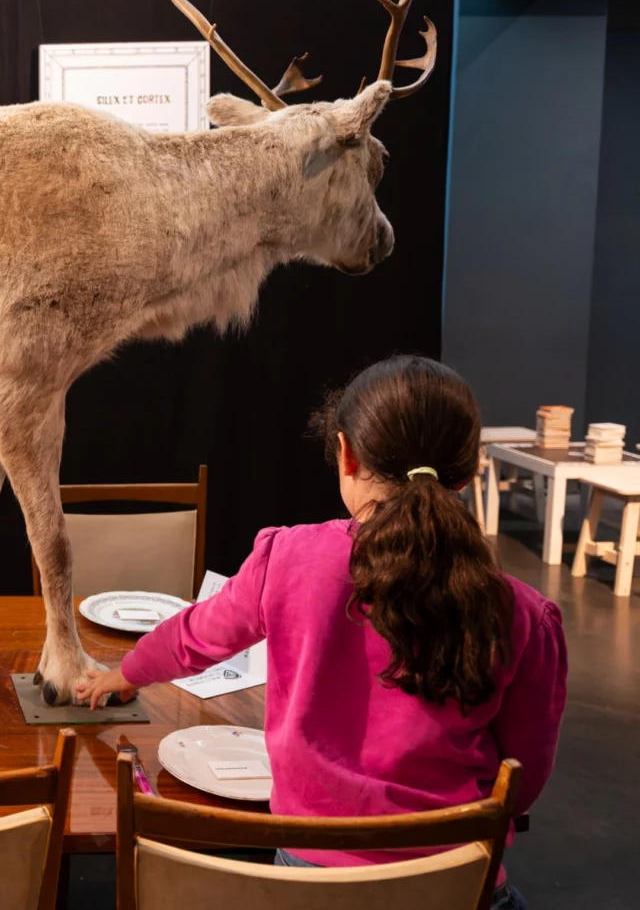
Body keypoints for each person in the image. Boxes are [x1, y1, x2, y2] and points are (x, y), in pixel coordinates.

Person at [77, 355, 567, 909]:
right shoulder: (524, 614)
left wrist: (123, 674)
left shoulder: (289, 559)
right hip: (457, 883)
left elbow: (194, 638)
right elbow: (522, 780)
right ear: (468, 471)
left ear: (346, 454)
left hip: (312, 882)